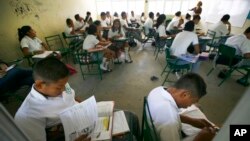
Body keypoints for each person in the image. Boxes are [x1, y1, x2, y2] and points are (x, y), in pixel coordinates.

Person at [14, 57, 86, 141]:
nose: (63, 90)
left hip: (82, 116)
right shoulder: (27, 115)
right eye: (59, 88)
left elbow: (70, 96)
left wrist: (81, 103)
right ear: (40, 85)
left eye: (65, 85)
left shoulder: (60, 84)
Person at [148, 73, 216, 141]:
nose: (191, 105)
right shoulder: (170, 122)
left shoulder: (159, 89)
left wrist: (191, 121)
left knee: (198, 107)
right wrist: (200, 139)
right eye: (193, 101)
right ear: (185, 95)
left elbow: (164, 114)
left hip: (154, 129)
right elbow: (169, 118)